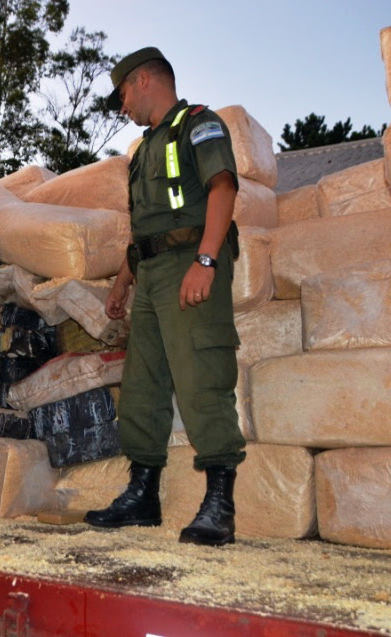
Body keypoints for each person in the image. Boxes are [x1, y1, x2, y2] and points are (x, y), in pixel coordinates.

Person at [84, 47, 245, 546]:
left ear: (145, 80)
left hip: (188, 265)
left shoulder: (199, 123)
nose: (122, 107)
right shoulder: (143, 151)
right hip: (151, 274)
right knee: (143, 385)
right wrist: (122, 281)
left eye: (123, 94)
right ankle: (143, 494)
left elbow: (222, 188)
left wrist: (206, 261)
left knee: (201, 377)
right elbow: (145, 227)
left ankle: (220, 502)